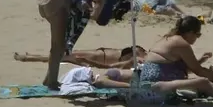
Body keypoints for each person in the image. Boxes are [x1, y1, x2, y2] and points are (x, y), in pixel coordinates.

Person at [139, 16, 213, 103]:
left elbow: (181, 68)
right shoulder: (180, 43)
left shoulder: (170, 38)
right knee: (203, 82)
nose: (197, 38)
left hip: (150, 84)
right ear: (190, 32)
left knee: (200, 83)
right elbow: (199, 71)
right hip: (154, 88)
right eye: (198, 35)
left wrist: (200, 61)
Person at [13, 46, 146, 69]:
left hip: (100, 57)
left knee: (64, 57)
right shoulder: (140, 54)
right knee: (65, 56)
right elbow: (126, 54)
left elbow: (122, 61)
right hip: (100, 55)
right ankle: (31, 57)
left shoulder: (139, 59)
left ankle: (30, 57)